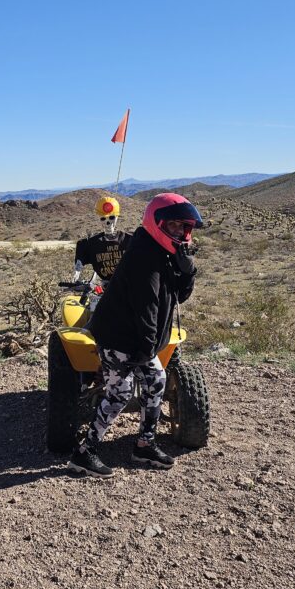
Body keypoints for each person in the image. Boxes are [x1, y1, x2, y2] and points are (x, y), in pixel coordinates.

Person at [68, 193, 203, 478]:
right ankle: (84, 452)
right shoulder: (144, 256)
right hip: (119, 337)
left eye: (183, 227)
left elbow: (178, 295)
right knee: (120, 393)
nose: (179, 232)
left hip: (138, 339)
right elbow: (147, 308)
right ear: (158, 224)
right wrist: (145, 350)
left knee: (155, 380)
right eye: (174, 226)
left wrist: (187, 271)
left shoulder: (162, 252)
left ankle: (144, 444)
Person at [72, 196, 132, 308]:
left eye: (112, 218)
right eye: (103, 219)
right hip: (104, 290)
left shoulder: (129, 240)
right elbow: (81, 254)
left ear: (117, 217)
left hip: (128, 288)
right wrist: (77, 272)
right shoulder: (93, 243)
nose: (108, 223)